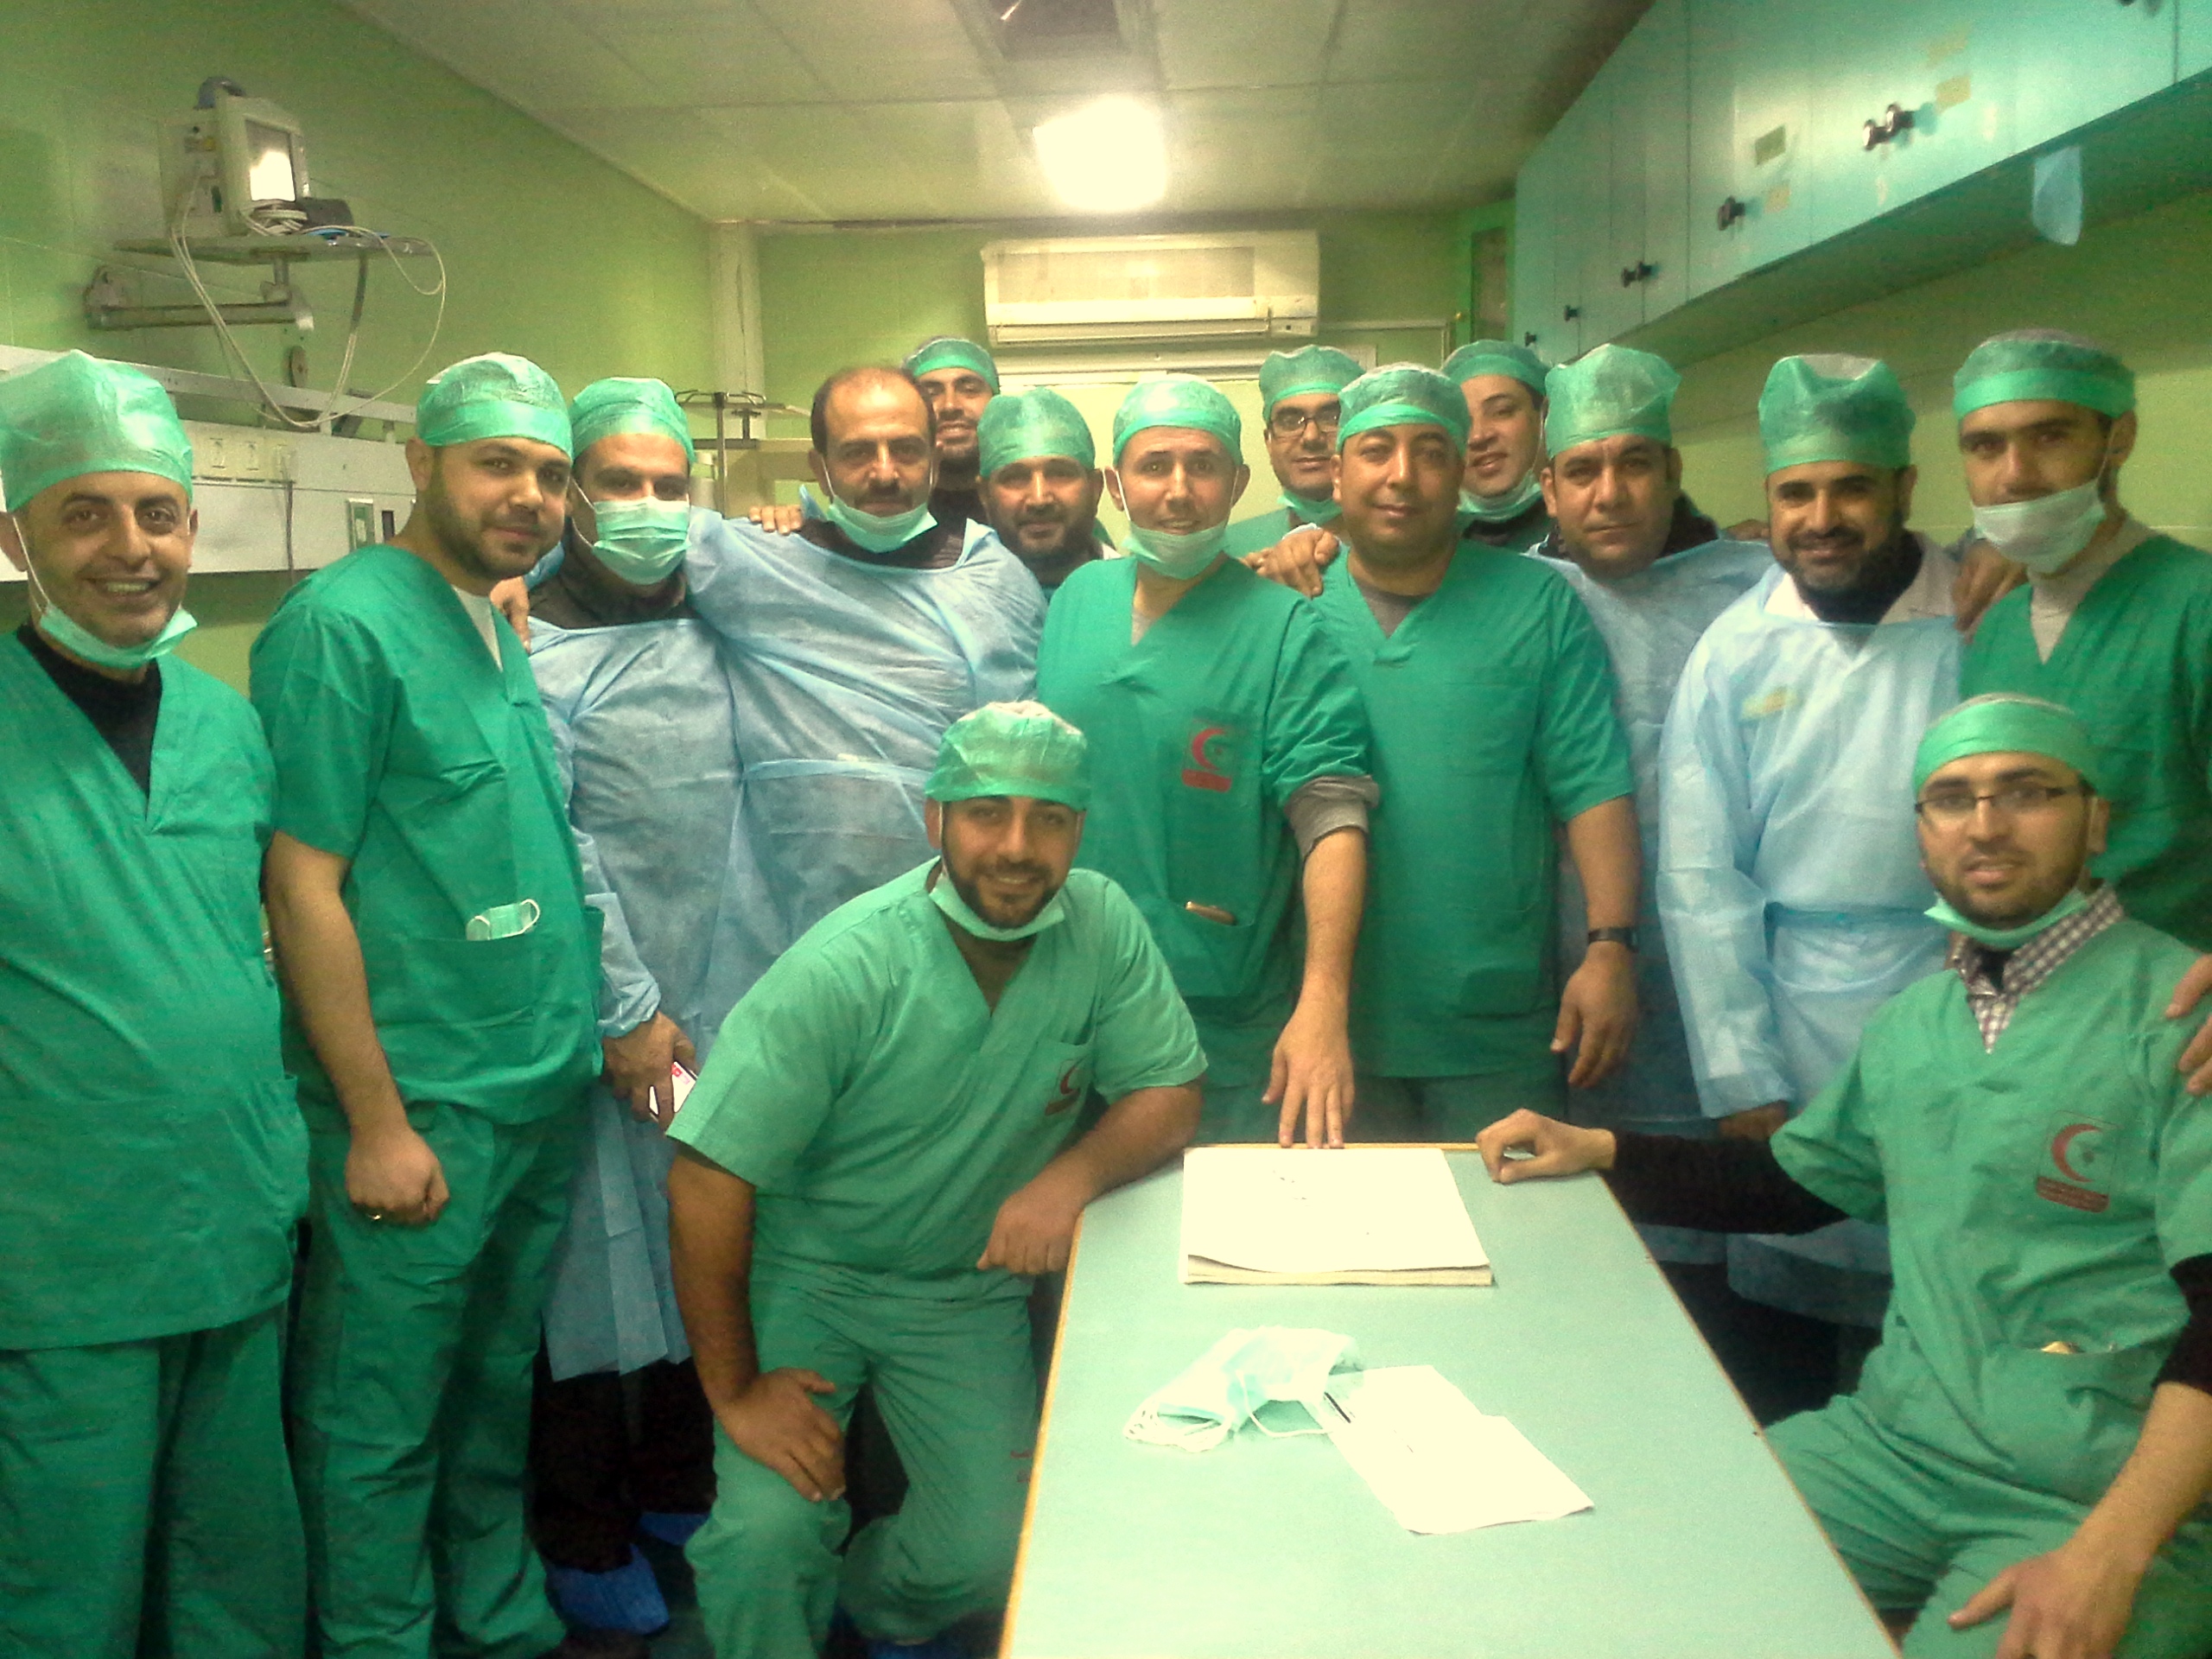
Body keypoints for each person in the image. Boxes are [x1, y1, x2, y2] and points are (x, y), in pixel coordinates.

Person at [1478, 695, 2212, 1659]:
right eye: (1950, 798)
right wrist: (1603, 1151)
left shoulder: (2185, 1024)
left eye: (2027, 792)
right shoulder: (1917, 1025)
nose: (1985, 825)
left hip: (2100, 1495)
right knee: (1618, 1581)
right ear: (1921, 833)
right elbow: (1795, 1186)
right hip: (1894, 1448)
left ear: (2096, 818)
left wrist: (2108, 1558)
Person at [666, 702, 1205, 1659]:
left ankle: (863, 1607)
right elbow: (705, 1178)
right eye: (987, 812)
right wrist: (737, 1392)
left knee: (993, 1554)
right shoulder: (847, 968)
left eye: (1047, 818)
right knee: (768, 1535)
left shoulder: (1100, 926)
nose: (1017, 846)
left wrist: (1068, 1179)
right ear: (935, 819)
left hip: (965, 1290)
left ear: (1078, 831)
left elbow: (1167, 1091)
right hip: (812, 1278)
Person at [254, 353, 602, 1659]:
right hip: (421, 1099)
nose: (528, 495)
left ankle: (498, 1619)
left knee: (490, 1390)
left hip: (530, 1086)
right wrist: (374, 1122)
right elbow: (303, 886)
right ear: (419, 464)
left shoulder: (494, 620)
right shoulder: (340, 628)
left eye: (549, 473)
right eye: (496, 464)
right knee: (378, 1419)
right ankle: (379, 1637)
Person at [0, 353, 307, 1658]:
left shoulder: (226, 727)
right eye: (86, 514)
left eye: (158, 514)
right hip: (61, 1260)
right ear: (16, 535)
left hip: (235, 1223)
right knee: (64, 1586)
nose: (131, 549)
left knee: (238, 1570)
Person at [1658, 353, 1961, 1410]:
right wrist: (1740, 1074)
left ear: (1904, 488)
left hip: (1957, 994)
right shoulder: (1738, 649)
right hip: (1791, 1016)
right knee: (1788, 1325)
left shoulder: (1977, 620)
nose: (1821, 518)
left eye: (1850, 488)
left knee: (1950, 1303)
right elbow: (1700, 877)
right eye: (1796, 492)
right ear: (1769, 500)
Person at [1296, 363, 1640, 1135]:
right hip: (1326, 1021)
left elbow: (1591, 784)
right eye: (1376, 450)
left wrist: (1611, 945)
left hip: (1494, 1021)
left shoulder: (1536, 604)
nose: (1402, 475)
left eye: (1430, 452)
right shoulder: (1291, 607)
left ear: (1460, 472)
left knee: (1509, 1208)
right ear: (1338, 472)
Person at [1035, 374, 1374, 1146]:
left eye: (1204, 465)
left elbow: (1332, 820)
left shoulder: (1283, 625)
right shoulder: (1078, 598)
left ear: (1239, 482)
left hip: (1221, 1007)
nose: (1179, 490)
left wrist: (1323, 1004)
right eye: (1155, 466)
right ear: (1116, 485)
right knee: (1080, 1205)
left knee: (1218, 1205)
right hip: (1065, 988)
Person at [522, 378, 723, 1654]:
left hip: (722, 987)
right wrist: (627, 1006)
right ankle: (584, 1530)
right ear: (572, 495)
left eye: (670, 483)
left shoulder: (719, 611)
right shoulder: (527, 643)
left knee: (699, 1246)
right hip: (610, 1004)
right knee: (594, 1270)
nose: (649, 507)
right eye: (619, 482)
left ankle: (675, 1486)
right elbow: (557, 843)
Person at [683, 365, 1044, 1011]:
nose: (884, 472)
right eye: (857, 453)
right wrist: (516, 582)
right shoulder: (761, 560)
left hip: (953, 919)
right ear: (820, 468)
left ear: (934, 457)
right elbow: (615, 543)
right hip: (790, 919)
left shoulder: (994, 579)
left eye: (905, 449)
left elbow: (1018, 762)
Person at [1526, 345, 1771, 1262]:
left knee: (1727, 1215)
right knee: (1577, 1233)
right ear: (1548, 489)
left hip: (1733, 968)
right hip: (1559, 964)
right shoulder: (1519, 596)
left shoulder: (1759, 590)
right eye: (1582, 470)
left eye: (1633, 464)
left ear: (1672, 470)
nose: (1609, 494)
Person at [1952, 330, 2212, 953]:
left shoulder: (2196, 608)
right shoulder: (1998, 628)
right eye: (1986, 446)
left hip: (2170, 987)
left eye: (2049, 437)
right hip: (2023, 981)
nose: (2015, 475)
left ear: (2118, 439)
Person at [1223, 345, 1363, 559]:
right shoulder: (1228, 554)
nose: (1311, 437)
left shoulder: (1402, 546)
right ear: (1269, 442)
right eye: (1290, 421)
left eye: (1332, 418)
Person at [972, 385, 1108, 599]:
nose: (1039, 498)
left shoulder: (1141, 594)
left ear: (1095, 488)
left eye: (1060, 474)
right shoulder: (955, 601)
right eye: (1015, 478)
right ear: (984, 495)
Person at [1442, 339, 1554, 551]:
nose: (1478, 437)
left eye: (1502, 411)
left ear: (1544, 417)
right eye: (1461, 421)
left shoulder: (1587, 532)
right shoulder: (1425, 546)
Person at [904, 334, 999, 531]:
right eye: (931, 394)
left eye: (969, 390)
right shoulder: (892, 510)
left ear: (997, 402)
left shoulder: (1026, 502)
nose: (950, 405)